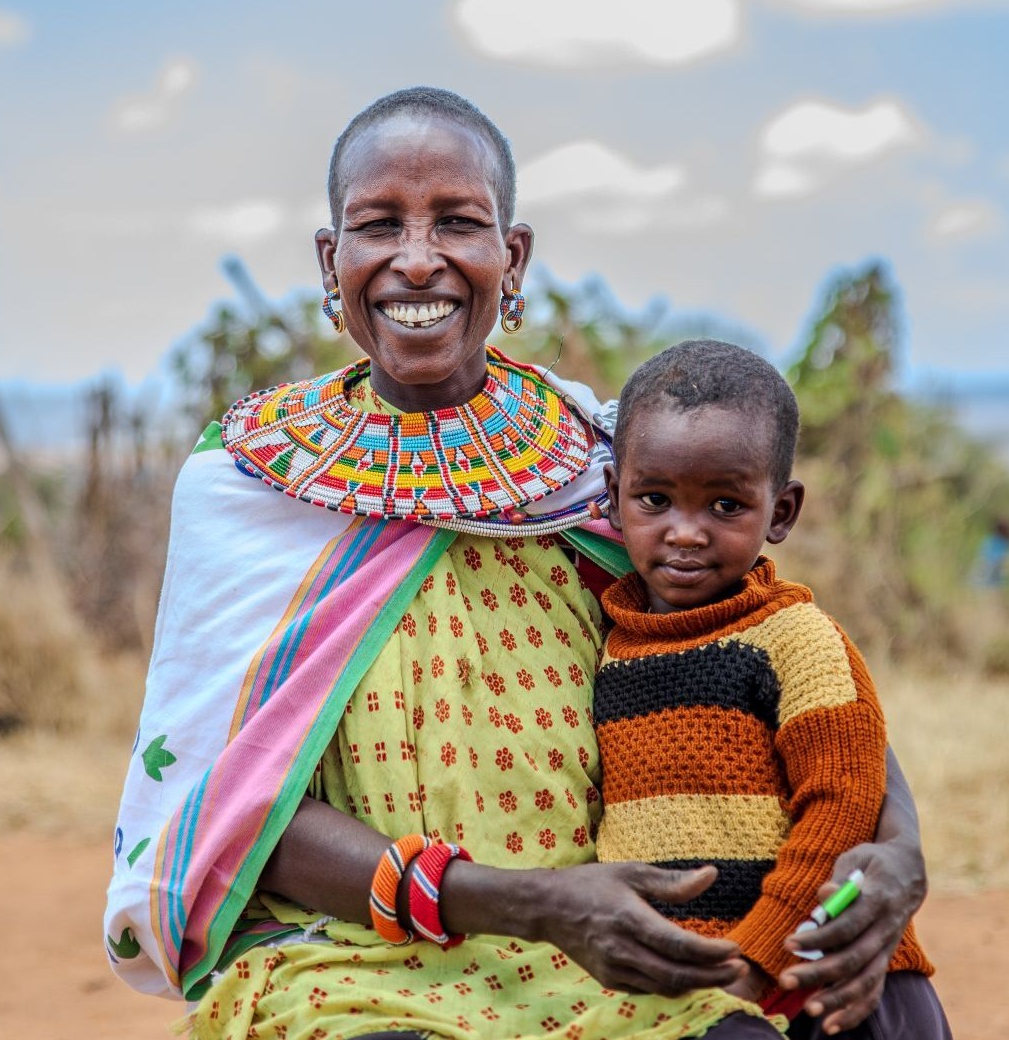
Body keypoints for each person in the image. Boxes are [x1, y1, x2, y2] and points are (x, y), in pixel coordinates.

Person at [103, 86, 930, 1040]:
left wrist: (900, 847)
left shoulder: (604, 463)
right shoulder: (250, 491)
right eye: (379, 225)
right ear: (333, 262)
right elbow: (234, 806)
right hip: (352, 951)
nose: (419, 259)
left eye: (459, 221)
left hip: (610, 944)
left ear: (513, 254)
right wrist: (533, 903)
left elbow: (782, 654)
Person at [596, 340, 950, 1038]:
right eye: (655, 500)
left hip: (833, 978)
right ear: (613, 497)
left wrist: (757, 959)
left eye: (726, 505)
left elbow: (844, 807)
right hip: (703, 989)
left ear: (781, 512)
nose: (687, 533)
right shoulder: (613, 641)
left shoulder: (797, 639)